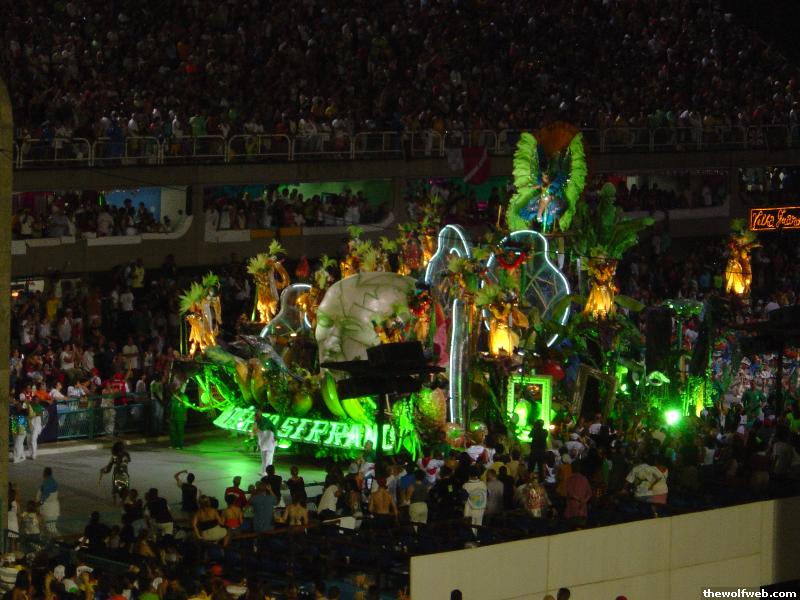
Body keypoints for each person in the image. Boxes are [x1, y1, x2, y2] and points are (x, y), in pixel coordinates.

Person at [253, 410, 277, 476]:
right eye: (255, 416)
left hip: (270, 442)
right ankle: (264, 471)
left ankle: (266, 472)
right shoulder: (256, 422)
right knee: (264, 459)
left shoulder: (266, 421)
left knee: (268, 458)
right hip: (263, 442)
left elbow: (264, 428)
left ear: (260, 416)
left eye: (257, 416)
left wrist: (275, 436)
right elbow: (255, 432)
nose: (255, 418)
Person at [38, 467, 60, 536]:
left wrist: (37, 504)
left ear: (45, 473)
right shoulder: (51, 481)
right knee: (46, 527)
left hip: (49, 510)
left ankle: (61, 540)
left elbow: (44, 496)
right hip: (51, 508)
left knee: (51, 528)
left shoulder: (48, 483)